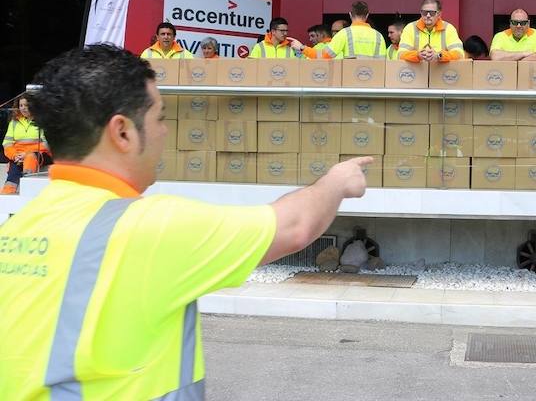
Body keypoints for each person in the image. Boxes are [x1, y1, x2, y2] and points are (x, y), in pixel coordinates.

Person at [0, 45, 370, 398]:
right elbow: (294, 227)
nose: (164, 130)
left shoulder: (16, 230)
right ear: (123, 132)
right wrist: (337, 181)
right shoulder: (151, 229)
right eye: (159, 116)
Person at [2, 96, 51, 194]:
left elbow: (46, 144)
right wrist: (15, 155)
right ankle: (6, 194)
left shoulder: (42, 121)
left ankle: (28, 190)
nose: (23, 108)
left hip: (40, 154)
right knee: (14, 167)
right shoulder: (14, 122)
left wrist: (26, 153)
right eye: (21, 105)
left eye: (26, 105)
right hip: (18, 155)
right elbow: (7, 143)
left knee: (29, 157)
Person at [398, 0, 464, 63]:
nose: (428, 15)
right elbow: (400, 54)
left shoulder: (448, 28)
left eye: (432, 13)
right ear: (421, 13)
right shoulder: (410, 28)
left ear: (439, 14)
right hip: (418, 72)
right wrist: (417, 55)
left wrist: (439, 56)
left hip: (441, 72)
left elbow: (459, 54)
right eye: (425, 12)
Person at [317, 1, 387, 59]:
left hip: (349, 74)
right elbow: (383, 63)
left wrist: (306, 50)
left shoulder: (344, 33)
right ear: (367, 15)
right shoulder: (378, 36)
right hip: (372, 74)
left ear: (350, 14)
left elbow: (325, 55)